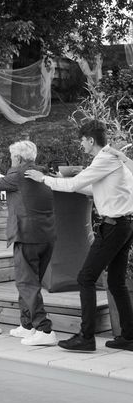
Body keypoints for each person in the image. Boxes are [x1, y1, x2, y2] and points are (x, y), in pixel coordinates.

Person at [25, 120, 133, 352]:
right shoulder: (111, 160)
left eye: (82, 140)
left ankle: (86, 337)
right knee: (115, 282)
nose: (80, 144)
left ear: (91, 140)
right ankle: (129, 336)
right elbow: (92, 189)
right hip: (124, 225)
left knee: (85, 278)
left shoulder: (105, 159)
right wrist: (60, 181)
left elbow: (74, 185)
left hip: (113, 226)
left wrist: (43, 179)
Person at [0, 141, 58, 345]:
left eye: (12, 157)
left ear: (19, 159)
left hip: (27, 235)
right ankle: (27, 325)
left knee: (26, 282)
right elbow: (9, 182)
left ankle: (44, 329)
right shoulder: (42, 173)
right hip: (46, 235)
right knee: (31, 281)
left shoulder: (18, 176)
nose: (10, 160)